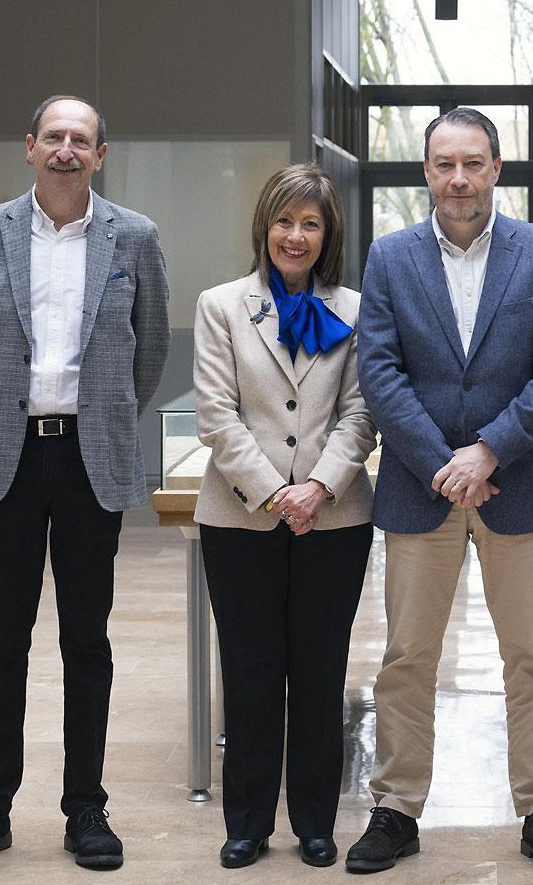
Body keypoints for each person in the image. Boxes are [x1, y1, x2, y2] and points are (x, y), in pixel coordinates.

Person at [349, 107, 533, 876]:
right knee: (407, 656)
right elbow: (380, 371)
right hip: (421, 490)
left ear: (496, 169)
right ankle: (396, 808)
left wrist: (487, 453)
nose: (459, 178)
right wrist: (440, 464)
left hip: (515, 483)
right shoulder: (390, 257)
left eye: (473, 163)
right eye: (445, 164)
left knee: (532, 655)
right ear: (427, 171)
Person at [0, 95, 170, 872]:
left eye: (82, 139)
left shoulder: (133, 237)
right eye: (54, 136)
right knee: (3, 639)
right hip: (9, 457)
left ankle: (85, 808)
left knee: (86, 641)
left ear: (101, 155)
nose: (67, 148)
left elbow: (148, 352)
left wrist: (100, 417)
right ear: (30, 147)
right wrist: (10, 410)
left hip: (88, 462)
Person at [189, 164, 377, 870]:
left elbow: (362, 413)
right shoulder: (220, 306)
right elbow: (217, 416)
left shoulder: (357, 309)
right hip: (240, 518)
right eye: (284, 221)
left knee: (322, 673)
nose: (295, 236)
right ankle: (246, 823)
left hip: (335, 518)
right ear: (264, 227)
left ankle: (316, 823)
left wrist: (318, 487)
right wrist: (275, 492)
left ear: (328, 235)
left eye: (310, 224)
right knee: (250, 672)